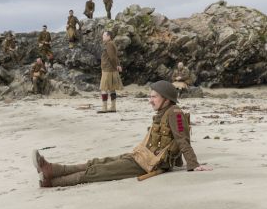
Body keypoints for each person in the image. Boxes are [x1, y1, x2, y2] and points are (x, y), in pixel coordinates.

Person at [32, 80, 213, 187]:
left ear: (167, 99)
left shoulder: (175, 113)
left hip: (149, 164)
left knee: (99, 171)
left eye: (154, 97)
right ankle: (52, 169)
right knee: (98, 162)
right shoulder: (163, 113)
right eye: (150, 96)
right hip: (141, 156)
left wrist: (193, 164)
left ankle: (51, 182)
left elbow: (182, 140)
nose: (150, 100)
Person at [98, 31, 123, 113]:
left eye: (104, 35)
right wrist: (118, 65)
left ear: (109, 36)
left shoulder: (109, 44)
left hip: (107, 69)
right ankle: (113, 107)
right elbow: (115, 56)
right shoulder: (112, 43)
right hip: (111, 69)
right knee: (112, 88)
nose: (103, 37)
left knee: (103, 88)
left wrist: (116, 66)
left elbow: (112, 57)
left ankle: (104, 108)